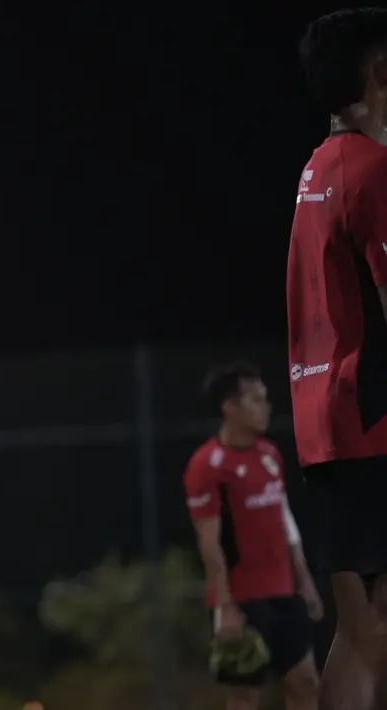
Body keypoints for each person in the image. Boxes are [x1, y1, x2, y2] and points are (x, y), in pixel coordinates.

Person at [293, 9, 387, 708]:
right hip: (373, 421)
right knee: (369, 633)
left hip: (325, 428)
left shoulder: (318, 167)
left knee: (363, 634)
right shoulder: (374, 170)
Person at [183, 362, 321, 710]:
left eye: (265, 398)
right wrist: (226, 606)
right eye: (256, 400)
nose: (266, 406)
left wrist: (303, 579)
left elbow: (284, 517)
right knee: (246, 696)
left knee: (305, 682)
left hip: (283, 591)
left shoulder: (270, 455)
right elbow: (209, 542)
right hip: (242, 600)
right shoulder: (208, 465)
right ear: (229, 407)